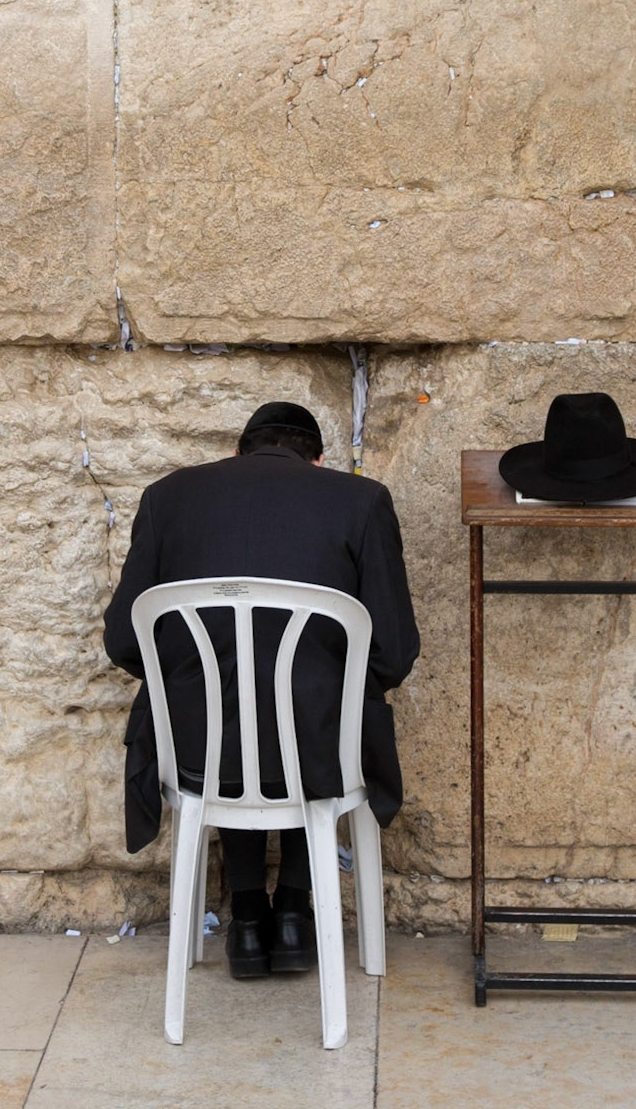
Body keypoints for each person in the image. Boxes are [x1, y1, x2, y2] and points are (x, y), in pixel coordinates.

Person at [103, 399, 420, 979]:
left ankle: (248, 920)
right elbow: (394, 654)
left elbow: (125, 640)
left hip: (200, 752)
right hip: (321, 751)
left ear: (236, 451)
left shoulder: (166, 498)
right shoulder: (362, 501)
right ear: (318, 461)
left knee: (226, 715)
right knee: (312, 716)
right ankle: (295, 914)